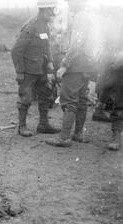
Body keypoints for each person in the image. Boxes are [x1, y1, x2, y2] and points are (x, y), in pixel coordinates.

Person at [46, 0, 97, 147]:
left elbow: (77, 43)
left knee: (69, 101)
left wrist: (64, 65)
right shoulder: (86, 16)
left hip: (76, 66)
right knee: (81, 100)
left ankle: (64, 138)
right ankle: (78, 134)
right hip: (85, 66)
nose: (68, 4)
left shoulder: (80, 17)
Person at [11, 0, 60, 137]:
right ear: (44, 10)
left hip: (41, 69)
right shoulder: (30, 27)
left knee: (46, 95)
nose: (53, 13)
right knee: (26, 98)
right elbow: (16, 50)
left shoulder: (45, 25)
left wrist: (49, 61)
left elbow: (46, 45)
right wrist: (20, 71)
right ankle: (22, 127)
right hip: (28, 71)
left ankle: (43, 125)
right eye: (51, 10)